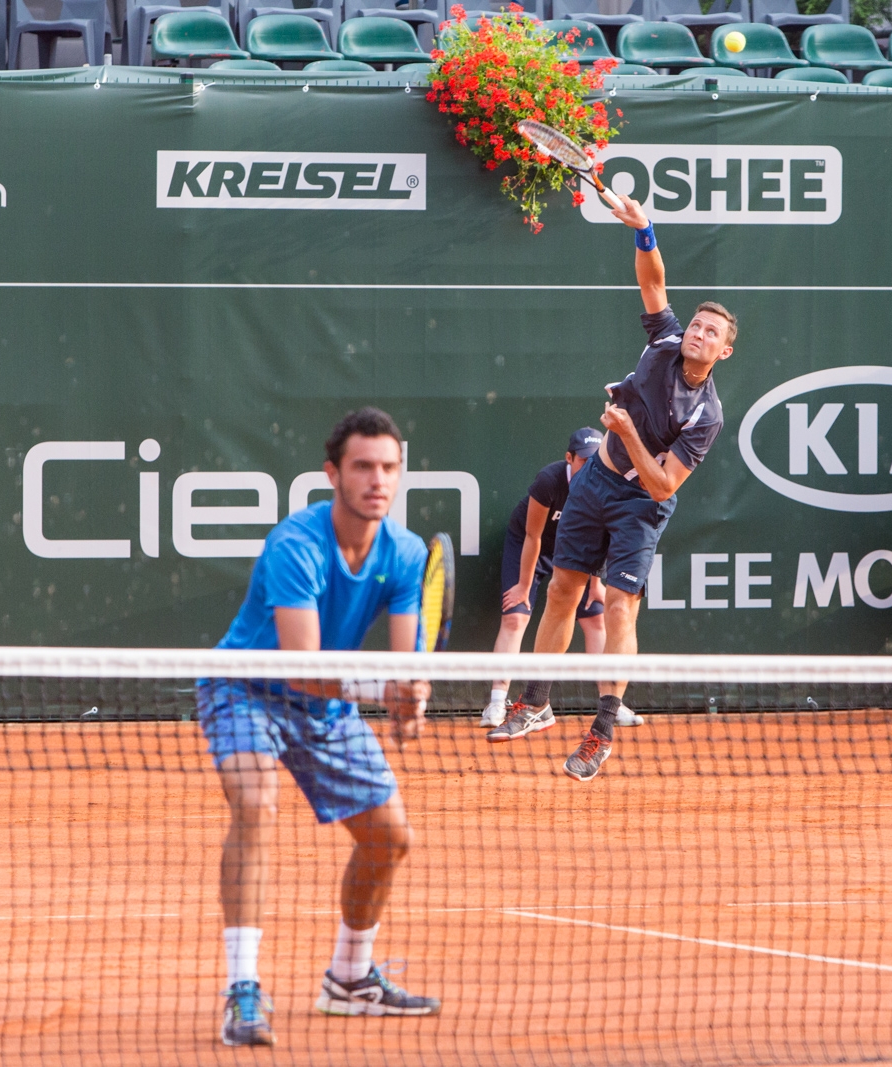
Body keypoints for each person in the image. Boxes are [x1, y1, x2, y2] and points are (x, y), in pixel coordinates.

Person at [197, 407, 440, 1048]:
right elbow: (304, 666)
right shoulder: (295, 544)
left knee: (390, 840)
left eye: (389, 468)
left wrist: (409, 703)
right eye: (363, 467)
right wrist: (384, 690)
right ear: (333, 473)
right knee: (255, 805)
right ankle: (243, 989)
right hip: (246, 690)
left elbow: (402, 659)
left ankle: (351, 980)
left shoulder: (406, 554)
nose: (377, 480)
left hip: (328, 709)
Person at [487, 192, 735, 782]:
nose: (698, 333)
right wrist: (645, 229)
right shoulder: (663, 343)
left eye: (711, 332)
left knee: (621, 606)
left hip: (640, 504)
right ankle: (536, 700)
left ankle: (600, 731)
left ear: (724, 351)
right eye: (697, 324)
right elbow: (654, 284)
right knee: (563, 591)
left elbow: (662, 483)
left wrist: (625, 429)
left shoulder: (707, 414)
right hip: (595, 481)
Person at [479, 427, 643, 731]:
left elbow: (604, 540)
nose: (590, 464)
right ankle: (498, 700)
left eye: (595, 459)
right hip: (533, 546)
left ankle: (611, 704)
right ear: (569, 458)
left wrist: (596, 585)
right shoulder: (549, 481)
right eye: (583, 460)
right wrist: (524, 587)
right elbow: (532, 535)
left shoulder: (604, 484)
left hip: (577, 552)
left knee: (595, 619)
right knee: (516, 618)